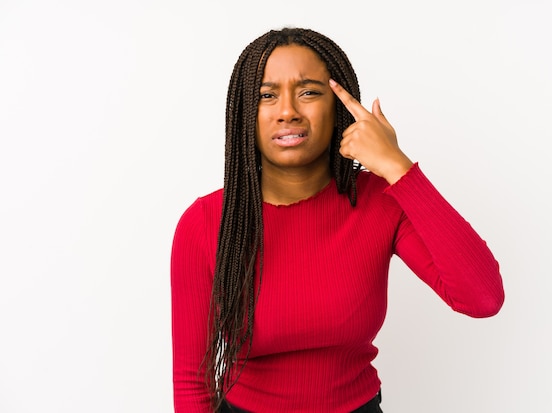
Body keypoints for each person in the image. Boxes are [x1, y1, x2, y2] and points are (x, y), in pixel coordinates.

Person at [170, 27, 505, 413]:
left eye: (309, 91)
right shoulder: (206, 223)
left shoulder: (381, 202)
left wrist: (399, 168)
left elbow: (483, 297)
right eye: (267, 95)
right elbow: (192, 382)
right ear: (246, 113)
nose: (288, 111)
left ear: (338, 108)